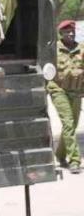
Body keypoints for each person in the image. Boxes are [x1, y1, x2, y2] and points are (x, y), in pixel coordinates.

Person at [47, 20, 84, 174]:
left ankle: (60, 155)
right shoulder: (53, 50)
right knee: (68, 122)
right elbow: (46, 69)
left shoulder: (81, 49)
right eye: (67, 31)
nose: (70, 34)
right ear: (60, 33)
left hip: (75, 91)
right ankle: (74, 160)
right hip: (58, 89)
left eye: (72, 31)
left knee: (72, 125)